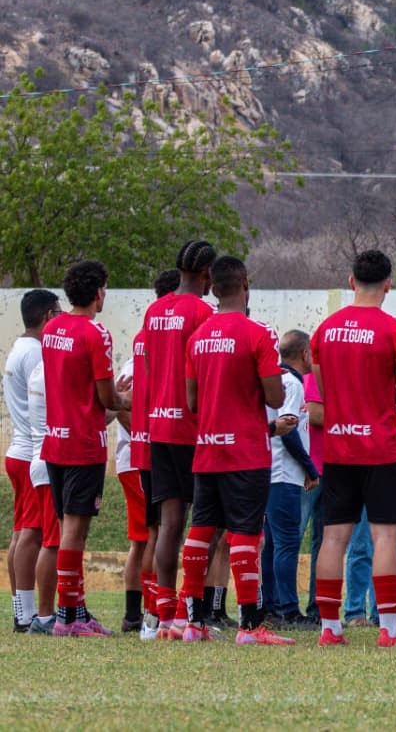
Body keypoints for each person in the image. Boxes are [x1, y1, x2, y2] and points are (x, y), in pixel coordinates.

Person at [180, 256, 294, 646]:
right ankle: (249, 626)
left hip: (208, 447)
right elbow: (275, 396)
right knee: (246, 533)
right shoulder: (259, 333)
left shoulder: (197, 337)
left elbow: (192, 402)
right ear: (246, 284)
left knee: (201, 529)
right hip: (246, 449)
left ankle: (192, 623)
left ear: (212, 287)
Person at [311, 249, 396, 649]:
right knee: (385, 538)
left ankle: (329, 629)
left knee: (333, 539)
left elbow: (323, 390)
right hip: (382, 448)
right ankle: (389, 630)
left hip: (339, 447)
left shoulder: (325, 330)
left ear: (351, 281)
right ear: (388, 284)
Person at [42, 259, 131, 636]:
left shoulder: (51, 329)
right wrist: (127, 399)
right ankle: (67, 618)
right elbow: (105, 394)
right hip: (83, 444)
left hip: (55, 441)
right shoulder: (96, 334)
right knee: (75, 535)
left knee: (67, 532)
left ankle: (76, 611)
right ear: (98, 293)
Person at [144, 240, 216, 636]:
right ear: (207, 274)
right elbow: (205, 372)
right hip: (192, 429)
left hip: (159, 426)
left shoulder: (155, 310)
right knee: (205, 524)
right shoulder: (203, 312)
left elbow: (153, 366)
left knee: (170, 524)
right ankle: (194, 616)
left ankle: (165, 615)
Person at [126, 270, 180, 640]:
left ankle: (146, 614)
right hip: (168, 439)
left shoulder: (143, 337)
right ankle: (158, 612)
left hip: (145, 444)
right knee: (164, 531)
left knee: (151, 533)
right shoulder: (172, 334)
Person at [4, 289, 60, 633]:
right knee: (32, 535)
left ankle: (21, 611)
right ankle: (27, 615)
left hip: (18, 450)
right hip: (30, 452)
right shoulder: (37, 354)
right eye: (57, 312)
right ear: (46, 316)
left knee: (20, 534)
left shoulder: (18, 349)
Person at [261, 330, 319, 629]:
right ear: (305, 354)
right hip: (284, 474)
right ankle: (290, 611)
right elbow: (289, 430)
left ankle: (270, 606)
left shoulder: (278, 380)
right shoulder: (293, 383)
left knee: (272, 543)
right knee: (286, 542)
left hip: (273, 472)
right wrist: (310, 467)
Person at [25, 361, 60, 635]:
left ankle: (62, 610)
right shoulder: (48, 371)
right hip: (49, 462)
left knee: (53, 540)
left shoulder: (39, 368)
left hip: (42, 460)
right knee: (52, 543)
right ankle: (46, 615)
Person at [302, 370, 325, 621]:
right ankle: (281, 607)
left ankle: (318, 609)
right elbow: (314, 413)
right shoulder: (314, 377)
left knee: (325, 542)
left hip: (332, 468)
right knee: (291, 537)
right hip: (308, 471)